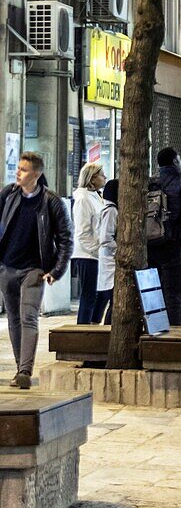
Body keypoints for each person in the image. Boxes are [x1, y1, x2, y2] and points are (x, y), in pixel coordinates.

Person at [0, 151, 72, 388]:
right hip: (7, 268)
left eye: (23, 169)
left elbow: (65, 239)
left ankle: (24, 371)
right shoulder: (8, 195)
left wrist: (57, 270)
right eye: (18, 168)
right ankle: (21, 368)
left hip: (34, 270)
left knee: (28, 317)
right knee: (13, 319)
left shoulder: (51, 201)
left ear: (37, 174)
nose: (17, 172)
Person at [147, 147, 181, 325]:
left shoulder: (151, 182)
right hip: (175, 245)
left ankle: (154, 332)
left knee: (153, 294)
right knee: (175, 297)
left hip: (151, 244)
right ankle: (172, 338)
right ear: (176, 162)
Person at [72, 160, 107, 324]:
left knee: (101, 294)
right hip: (88, 255)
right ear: (92, 178)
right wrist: (97, 249)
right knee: (89, 295)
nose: (104, 177)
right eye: (101, 175)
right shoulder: (83, 199)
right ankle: (83, 331)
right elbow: (83, 232)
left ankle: (93, 326)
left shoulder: (96, 196)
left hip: (97, 255)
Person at [96, 179, 119, 324]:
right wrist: (120, 249)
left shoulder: (110, 209)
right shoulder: (111, 211)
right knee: (113, 300)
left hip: (109, 260)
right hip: (110, 260)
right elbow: (105, 238)